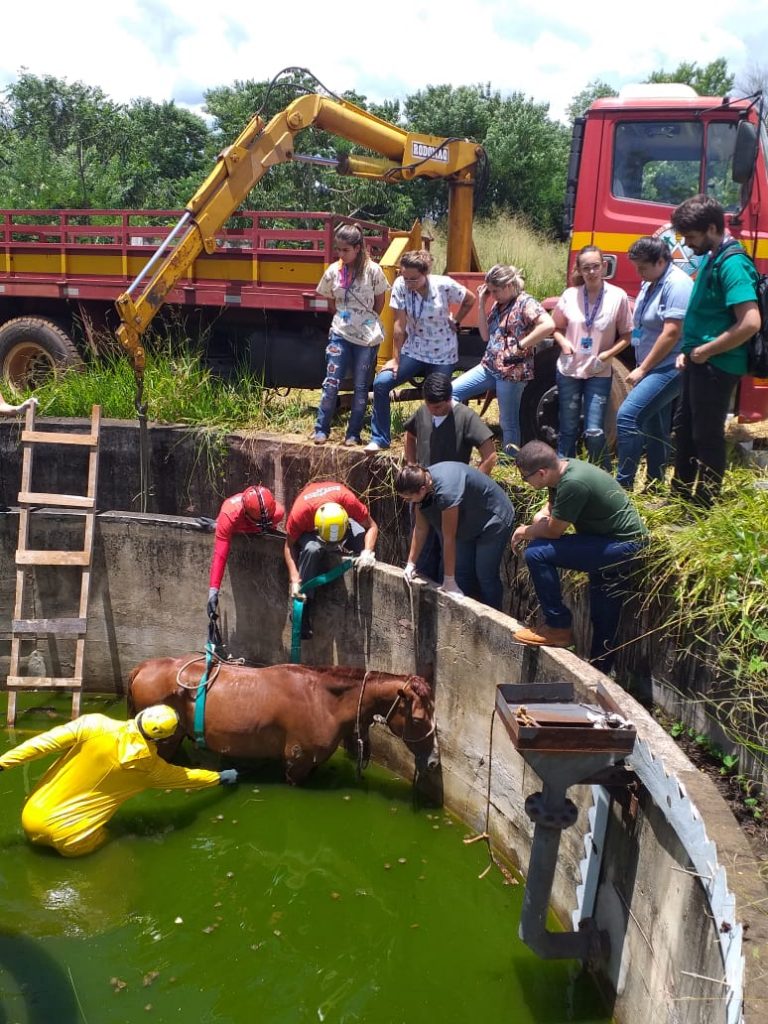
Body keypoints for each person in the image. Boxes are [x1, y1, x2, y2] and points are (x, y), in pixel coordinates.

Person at [0, 705, 238, 857]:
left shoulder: (93, 725)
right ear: (164, 739)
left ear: (141, 715)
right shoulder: (151, 769)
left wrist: (3, 762)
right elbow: (188, 777)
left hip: (31, 817)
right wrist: (220, 777)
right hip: (74, 839)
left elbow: (42, 744)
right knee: (118, 844)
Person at [510, 441, 647, 673]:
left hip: (622, 546)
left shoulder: (573, 482)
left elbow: (554, 532)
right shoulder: (564, 470)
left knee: (536, 552)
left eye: (526, 478)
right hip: (609, 542)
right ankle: (601, 670)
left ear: (541, 473)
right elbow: (553, 506)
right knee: (603, 610)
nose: (526, 482)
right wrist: (542, 514)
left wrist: (524, 531)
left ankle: (558, 626)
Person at [669, 194, 761, 505]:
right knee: (684, 430)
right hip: (700, 360)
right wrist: (691, 349)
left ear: (711, 228)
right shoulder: (712, 256)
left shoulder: (733, 263)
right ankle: (679, 496)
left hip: (717, 365)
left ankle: (702, 505)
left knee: (706, 436)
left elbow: (750, 322)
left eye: (692, 237)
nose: (689, 244)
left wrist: (707, 349)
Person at [365, 250, 475, 452]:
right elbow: (399, 325)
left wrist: (456, 320)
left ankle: (439, 445)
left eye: (413, 279)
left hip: (442, 352)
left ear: (425, 273)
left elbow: (470, 299)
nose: (408, 283)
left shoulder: (443, 285)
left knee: (438, 396)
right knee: (381, 384)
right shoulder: (400, 285)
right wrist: (396, 360)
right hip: (414, 349)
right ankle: (380, 438)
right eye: (405, 277)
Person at [451, 264, 555, 457]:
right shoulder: (498, 305)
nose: (493, 294)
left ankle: (511, 458)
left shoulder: (526, 303)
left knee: (508, 421)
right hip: (489, 367)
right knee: (451, 392)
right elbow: (484, 335)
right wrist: (482, 304)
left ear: (508, 285)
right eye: (490, 291)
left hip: (512, 372)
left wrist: (523, 344)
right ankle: (466, 433)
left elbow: (548, 324)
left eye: (495, 291)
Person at [615, 236, 693, 491]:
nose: (638, 273)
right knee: (655, 427)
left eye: (642, 267)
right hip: (653, 364)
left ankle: (622, 485)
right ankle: (655, 482)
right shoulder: (652, 281)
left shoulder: (677, 284)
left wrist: (643, 368)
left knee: (627, 417)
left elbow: (671, 332)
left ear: (661, 261)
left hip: (669, 367)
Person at [403, 371, 497, 581]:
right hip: (423, 494)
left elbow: (490, 455)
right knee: (424, 550)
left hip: (451, 497)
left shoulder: (465, 417)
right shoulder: (422, 412)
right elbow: (409, 435)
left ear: (449, 399)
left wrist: (472, 485)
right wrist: (411, 465)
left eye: (439, 407)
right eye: (430, 406)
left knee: (450, 547)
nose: (434, 411)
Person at [552, 246, 633, 469]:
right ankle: (562, 475)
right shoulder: (570, 295)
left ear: (604, 266)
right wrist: (564, 343)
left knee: (594, 430)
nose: (591, 272)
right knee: (567, 427)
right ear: (579, 269)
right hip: (569, 370)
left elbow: (627, 335)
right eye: (586, 267)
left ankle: (602, 474)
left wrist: (607, 354)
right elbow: (556, 327)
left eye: (595, 266)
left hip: (599, 371)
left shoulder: (618, 296)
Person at [396, 462, 514, 610]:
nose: (407, 502)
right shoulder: (421, 483)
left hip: (492, 519)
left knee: (485, 575)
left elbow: (448, 537)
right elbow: (420, 529)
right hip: (466, 523)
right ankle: (463, 616)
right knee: (461, 572)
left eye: (408, 499)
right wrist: (411, 564)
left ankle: (494, 616)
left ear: (422, 490)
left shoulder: (447, 491)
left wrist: (449, 580)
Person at [312, 223, 389, 446]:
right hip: (340, 333)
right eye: (338, 249)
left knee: (361, 386)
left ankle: (353, 433)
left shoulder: (373, 271)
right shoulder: (333, 271)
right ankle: (321, 428)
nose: (341, 254)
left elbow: (380, 300)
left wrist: (365, 320)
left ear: (357, 248)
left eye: (345, 250)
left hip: (366, 337)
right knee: (331, 381)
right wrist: (344, 318)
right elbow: (329, 301)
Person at [283, 480, 378, 638]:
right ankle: (303, 611)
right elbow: (288, 546)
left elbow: (372, 526)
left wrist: (367, 552)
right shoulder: (301, 514)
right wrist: (294, 578)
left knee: (363, 539)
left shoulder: (347, 500)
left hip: (340, 523)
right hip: (312, 532)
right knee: (312, 549)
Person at [207, 485, 285, 620]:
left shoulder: (278, 513)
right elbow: (220, 555)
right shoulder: (230, 514)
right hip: (230, 522)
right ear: (246, 513)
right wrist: (213, 592)